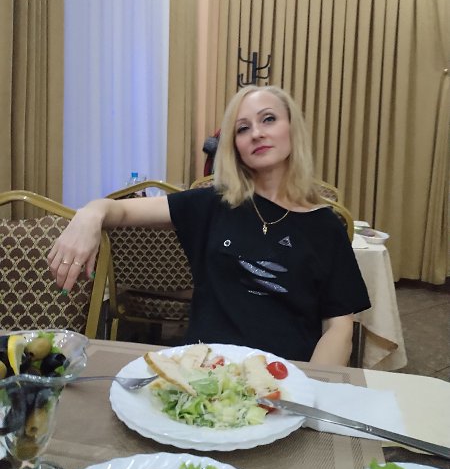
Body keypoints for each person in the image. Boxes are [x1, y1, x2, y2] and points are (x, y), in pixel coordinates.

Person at [48, 86, 370, 365]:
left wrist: (307, 390)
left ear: (292, 129)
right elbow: (119, 212)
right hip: (203, 374)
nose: (256, 133)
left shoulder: (325, 226)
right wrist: (90, 214)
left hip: (285, 379)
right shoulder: (213, 204)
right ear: (235, 146)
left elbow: (339, 328)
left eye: (269, 119)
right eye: (242, 128)